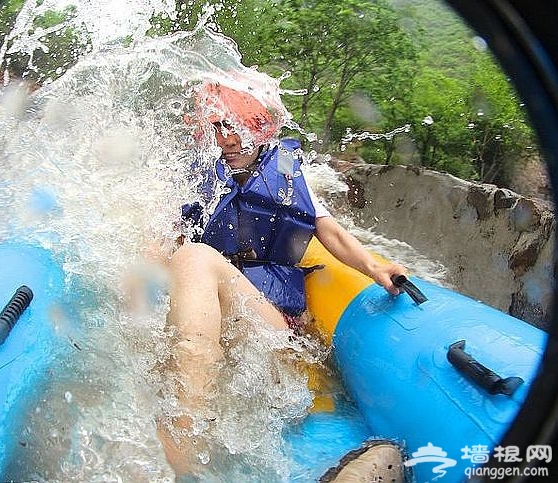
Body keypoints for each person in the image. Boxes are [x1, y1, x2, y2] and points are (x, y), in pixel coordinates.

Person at [159, 82, 406, 479]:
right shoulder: (193, 180)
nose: (230, 138)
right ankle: (185, 443)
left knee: (195, 258)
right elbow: (159, 249)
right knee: (190, 261)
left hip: (271, 326)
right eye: (220, 125)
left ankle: (179, 452)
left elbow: (329, 231)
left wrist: (375, 269)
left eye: (243, 125)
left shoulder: (289, 172)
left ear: (263, 129)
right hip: (224, 316)